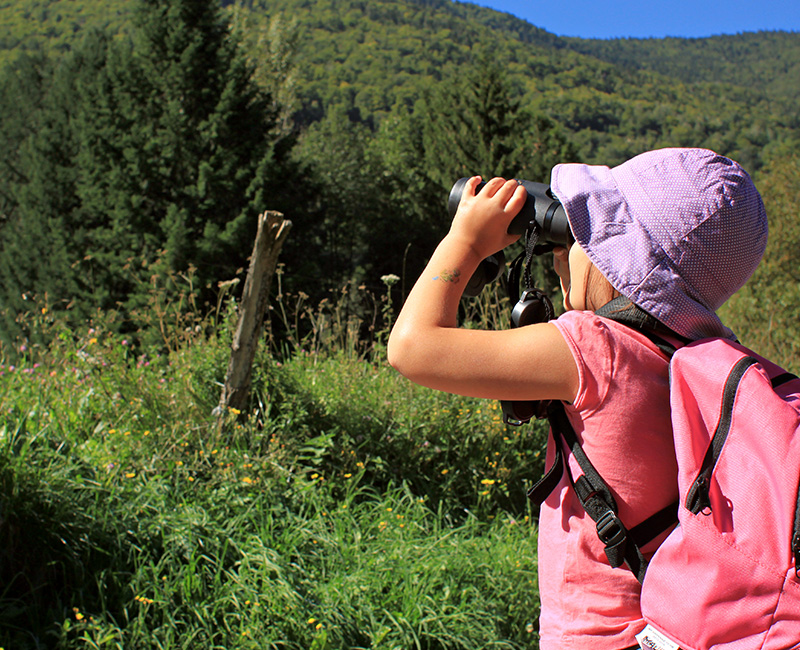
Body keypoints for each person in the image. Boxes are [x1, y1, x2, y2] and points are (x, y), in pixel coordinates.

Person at [387, 148, 768, 649]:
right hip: (664, 631)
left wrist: (465, 241)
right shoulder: (704, 356)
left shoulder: (598, 347)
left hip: (593, 637)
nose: (563, 251)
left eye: (581, 237)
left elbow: (411, 348)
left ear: (620, 262)